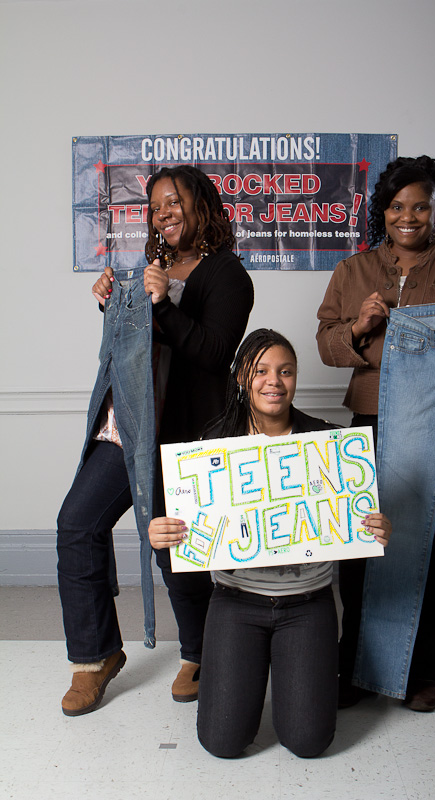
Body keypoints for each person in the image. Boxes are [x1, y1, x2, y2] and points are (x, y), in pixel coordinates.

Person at [57, 165, 254, 716]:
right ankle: (95, 656)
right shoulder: (152, 268)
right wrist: (112, 304)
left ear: (202, 206)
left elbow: (215, 354)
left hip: (183, 430)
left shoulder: (228, 274)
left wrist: (163, 303)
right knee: (77, 523)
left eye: (174, 201)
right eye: (155, 206)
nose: (162, 213)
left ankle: (201, 653)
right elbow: (135, 347)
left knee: (173, 548)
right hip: (128, 424)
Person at [149, 328, 392, 758]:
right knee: (221, 742)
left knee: (308, 741)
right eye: (260, 370)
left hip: (308, 604)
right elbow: (189, 530)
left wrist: (374, 526)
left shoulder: (327, 443)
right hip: (235, 602)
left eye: (286, 371)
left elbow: (352, 522)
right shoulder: (211, 446)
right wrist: (162, 536)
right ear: (242, 376)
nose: (273, 381)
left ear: (296, 378)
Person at [317, 154, 435, 712]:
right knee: (363, 542)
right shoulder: (352, 271)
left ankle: (426, 672)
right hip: (373, 418)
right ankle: (358, 666)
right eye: (397, 206)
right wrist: (361, 325)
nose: (409, 217)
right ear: (383, 211)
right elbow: (326, 347)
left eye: (421, 206)